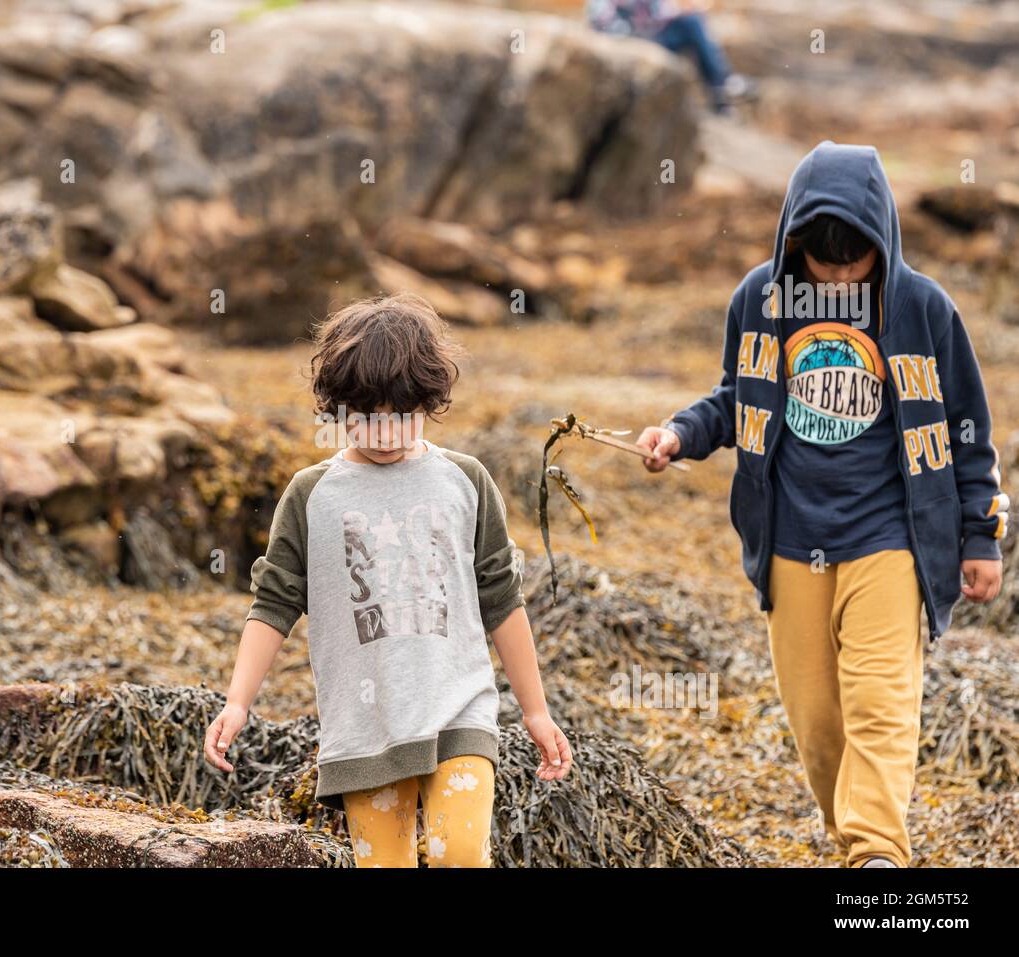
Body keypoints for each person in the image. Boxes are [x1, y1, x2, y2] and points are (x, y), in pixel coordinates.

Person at [636, 141, 1008, 867]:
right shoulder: (760, 299)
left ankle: (876, 857)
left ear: (883, 244)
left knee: (880, 705)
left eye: (854, 261)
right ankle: (854, 846)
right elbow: (731, 396)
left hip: (890, 536)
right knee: (818, 724)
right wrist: (680, 433)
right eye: (822, 261)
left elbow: (970, 432)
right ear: (792, 245)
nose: (837, 275)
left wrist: (980, 536)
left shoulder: (923, 308)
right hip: (789, 538)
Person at [203, 293, 572, 868]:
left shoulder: (465, 481)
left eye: (400, 412)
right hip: (364, 726)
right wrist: (237, 703)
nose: (384, 430)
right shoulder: (310, 495)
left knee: (460, 855)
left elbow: (501, 599)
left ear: (428, 400)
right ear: (337, 408)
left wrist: (536, 712)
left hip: (459, 710)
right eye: (365, 415)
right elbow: (273, 604)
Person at [585, 0, 754, 112]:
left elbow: (662, 13)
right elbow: (605, 25)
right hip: (631, 41)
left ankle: (721, 86)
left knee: (692, 22)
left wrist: (684, 11)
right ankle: (721, 87)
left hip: (655, 35)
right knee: (690, 25)